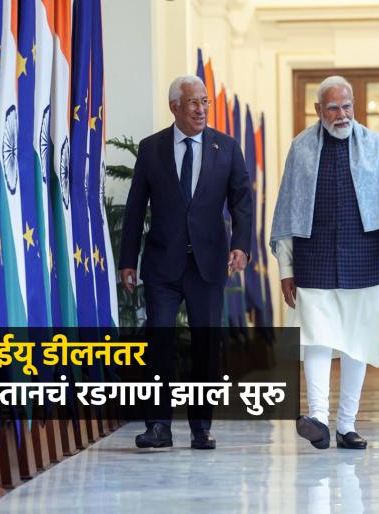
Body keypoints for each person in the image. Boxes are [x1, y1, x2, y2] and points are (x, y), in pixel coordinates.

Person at [270, 75, 379, 450]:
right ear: (318, 110)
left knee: (358, 340)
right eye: (333, 108)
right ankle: (318, 418)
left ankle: (346, 425)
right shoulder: (301, 148)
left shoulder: (374, 146)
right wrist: (286, 269)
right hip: (314, 258)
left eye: (347, 106)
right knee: (316, 338)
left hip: (364, 259)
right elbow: (289, 212)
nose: (341, 115)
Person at [118, 75, 252, 450]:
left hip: (207, 264)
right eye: (193, 102)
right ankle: (158, 425)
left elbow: (242, 201)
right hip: (162, 264)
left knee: (205, 346)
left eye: (205, 102)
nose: (201, 109)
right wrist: (127, 260)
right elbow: (135, 207)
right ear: (174, 106)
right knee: (159, 343)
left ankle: (200, 427)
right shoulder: (151, 149)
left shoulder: (226, 147)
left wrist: (241, 245)